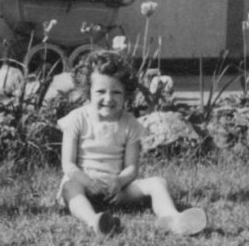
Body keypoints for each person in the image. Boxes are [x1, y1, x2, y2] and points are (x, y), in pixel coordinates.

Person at [58, 50, 206, 235]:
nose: (108, 98)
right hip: (84, 186)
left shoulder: (129, 124)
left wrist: (119, 182)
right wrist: (88, 183)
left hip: (116, 191)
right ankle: (94, 221)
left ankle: (172, 218)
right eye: (101, 92)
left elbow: (131, 168)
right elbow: (68, 165)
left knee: (157, 182)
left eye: (116, 92)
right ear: (89, 91)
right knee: (69, 186)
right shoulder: (77, 119)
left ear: (126, 94)